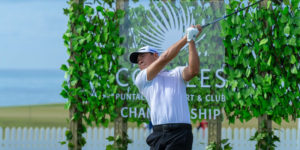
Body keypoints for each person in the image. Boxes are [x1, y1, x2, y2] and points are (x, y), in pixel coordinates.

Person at [129, 25, 202, 150]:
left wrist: (191, 42)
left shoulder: (177, 73)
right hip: (157, 134)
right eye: (137, 59)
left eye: (142, 55)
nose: (139, 59)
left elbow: (193, 70)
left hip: (180, 133)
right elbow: (165, 57)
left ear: (155, 56)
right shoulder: (141, 78)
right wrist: (186, 38)